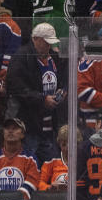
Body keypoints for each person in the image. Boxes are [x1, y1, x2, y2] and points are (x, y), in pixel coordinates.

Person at [6, 22, 65, 164]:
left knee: (51, 165)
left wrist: (62, 91)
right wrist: (41, 99)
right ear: (35, 39)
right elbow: (16, 88)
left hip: (50, 126)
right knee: (28, 164)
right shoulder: (21, 57)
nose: (49, 46)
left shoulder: (53, 57)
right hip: (29, 125)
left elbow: (62, 77)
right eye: (46, 42)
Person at [0, 118, 41, 200]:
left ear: (22, 134)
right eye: (7, 128)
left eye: (15, 128)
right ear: (3, 133)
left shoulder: (31, 159)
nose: (10, 131)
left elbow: (30, 186)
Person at [38, 126, 80, 192]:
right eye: (64, 144)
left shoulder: (83, 159)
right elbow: (40, 183)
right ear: (59, 143)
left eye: (71, 144)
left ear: (77, 143)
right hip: (55, 199)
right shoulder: (52, 159)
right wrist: (50, 188)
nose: (67, 148)